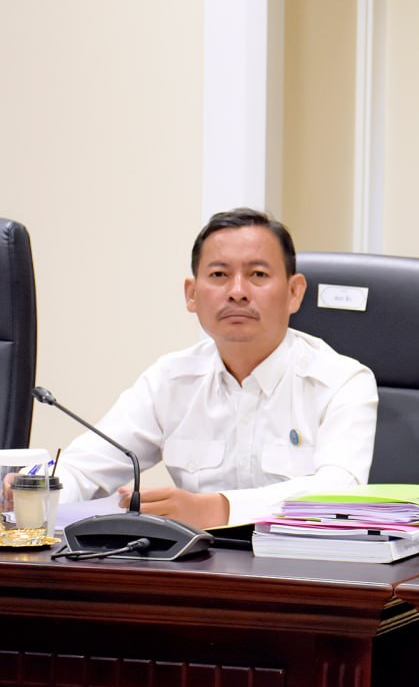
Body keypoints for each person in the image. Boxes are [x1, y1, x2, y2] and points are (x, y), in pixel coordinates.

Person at [54, 208, 378, 529]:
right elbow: (81, 469)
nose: (237, 292)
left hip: (304, 558)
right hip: (196, 560)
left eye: (258, 275)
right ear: (192, 294)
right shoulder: (170, 380)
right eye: (219, 275)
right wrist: (34, 493)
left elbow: (340, 491)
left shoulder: (342, 381)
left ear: (294, 293)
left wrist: (221, 509)